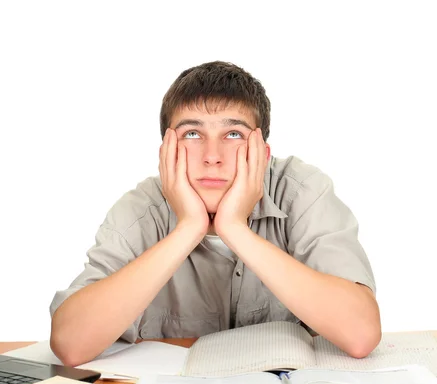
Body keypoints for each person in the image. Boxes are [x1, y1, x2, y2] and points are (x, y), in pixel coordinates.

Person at [49, 61, 381, 366]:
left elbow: (360, 334)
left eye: (233, 134)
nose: (212, 156)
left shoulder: (301, 190)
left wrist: (234, 228)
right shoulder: (140, 209)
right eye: (192, 134)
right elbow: (70, 345)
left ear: (262, 153)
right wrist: (189, 228)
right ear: (167, 151)